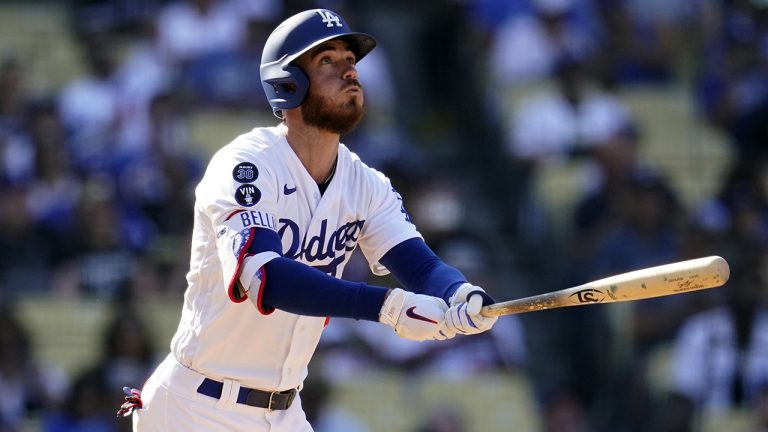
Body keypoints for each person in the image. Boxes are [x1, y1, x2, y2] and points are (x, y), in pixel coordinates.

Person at [119, 9, 498, 431]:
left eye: (351, 61)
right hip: (198, 405)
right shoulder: (246, 166)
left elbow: (421, 266)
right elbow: (269, 280)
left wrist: (460, 294)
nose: (350, 72)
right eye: (327, 62)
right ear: (288, 84)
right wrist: (387, 306)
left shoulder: (366, 184)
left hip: (284, 411)